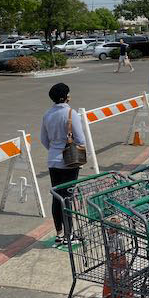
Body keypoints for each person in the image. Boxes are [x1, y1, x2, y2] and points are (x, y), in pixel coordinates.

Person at [40, 82, 86, 246]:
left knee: (56, 197)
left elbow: (43, 140)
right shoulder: (70, 113)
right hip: (69, 161)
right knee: (68, 198)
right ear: (65, 97)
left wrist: (54, 149)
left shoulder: (47, 114)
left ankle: (59, 234)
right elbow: (81, 139)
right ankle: (69, 235)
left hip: (53, 160)